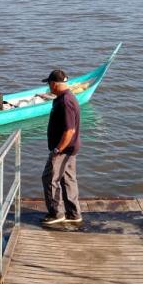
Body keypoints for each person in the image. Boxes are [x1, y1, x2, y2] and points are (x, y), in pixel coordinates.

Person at [40, 69, 82, 225]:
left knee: (49, 178)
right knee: (68, 180)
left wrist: (57, 150)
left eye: (49, 84)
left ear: (54, 84)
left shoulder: (65, 102)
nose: (48, 87)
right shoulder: (66, 97)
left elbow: (69, 130)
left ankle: (56, 213)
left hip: (63, 149)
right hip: (71, 148)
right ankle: (73, 213)